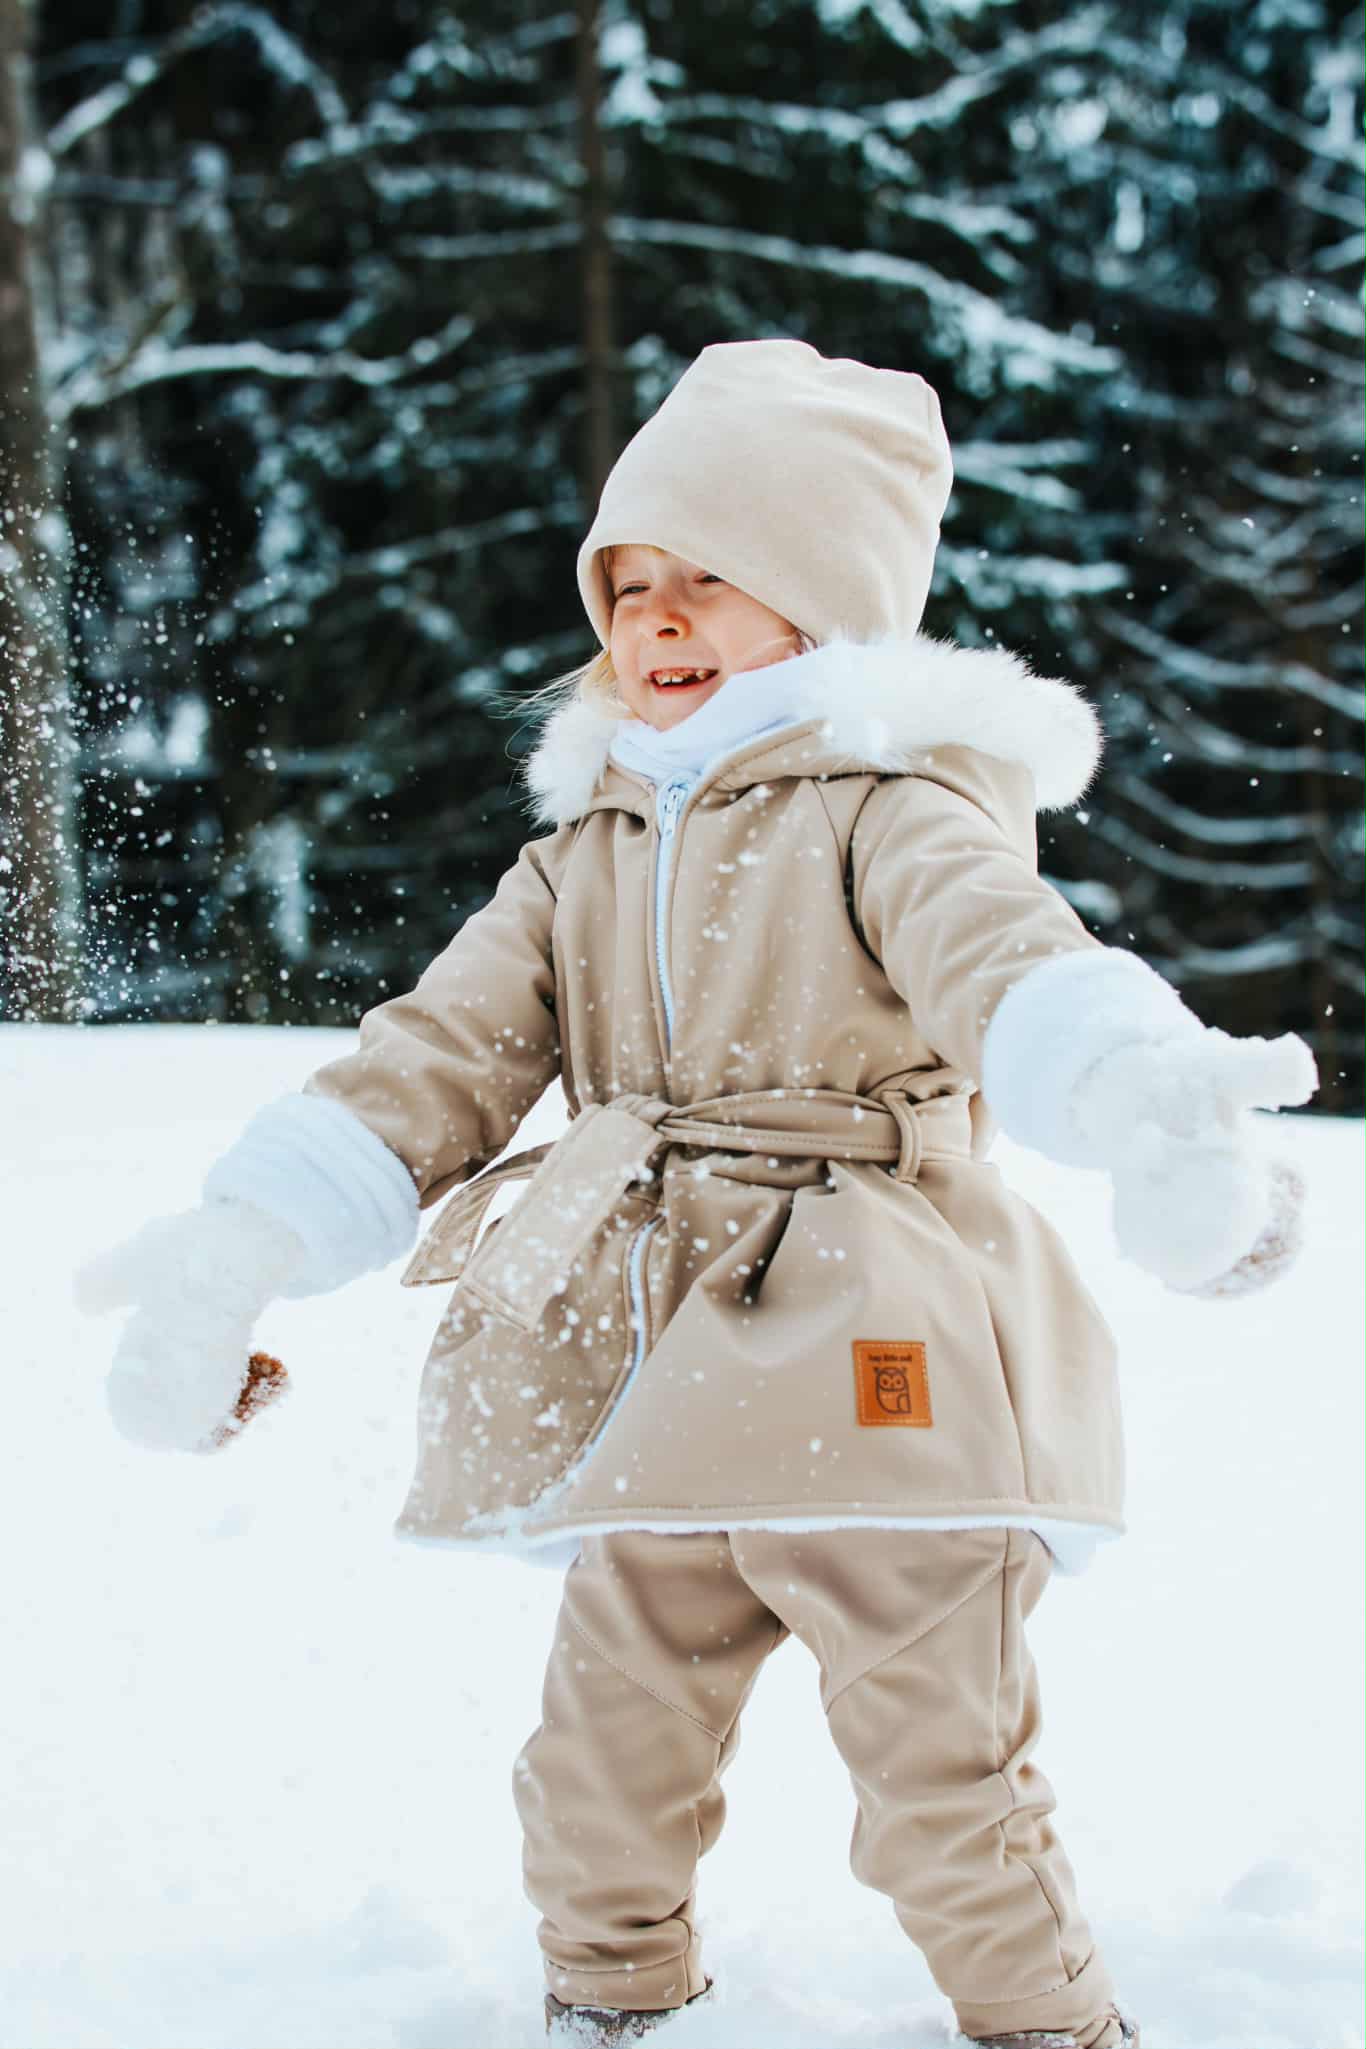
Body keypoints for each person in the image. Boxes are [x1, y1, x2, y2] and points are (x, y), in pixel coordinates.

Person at [77, 339, 1318, 2049]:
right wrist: (249, 1239)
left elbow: (1010, 964)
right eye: (628, 584)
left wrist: (1132, 1096)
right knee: (600, 1749)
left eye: (709, 580)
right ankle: (607, 2004)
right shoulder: (582, 845)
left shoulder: (889, 805)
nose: (655, 620)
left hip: (883, 1350)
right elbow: (436, 1053)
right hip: (657, 1361)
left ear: (821, 595)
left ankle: (1048, 2028)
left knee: (936, 1764)